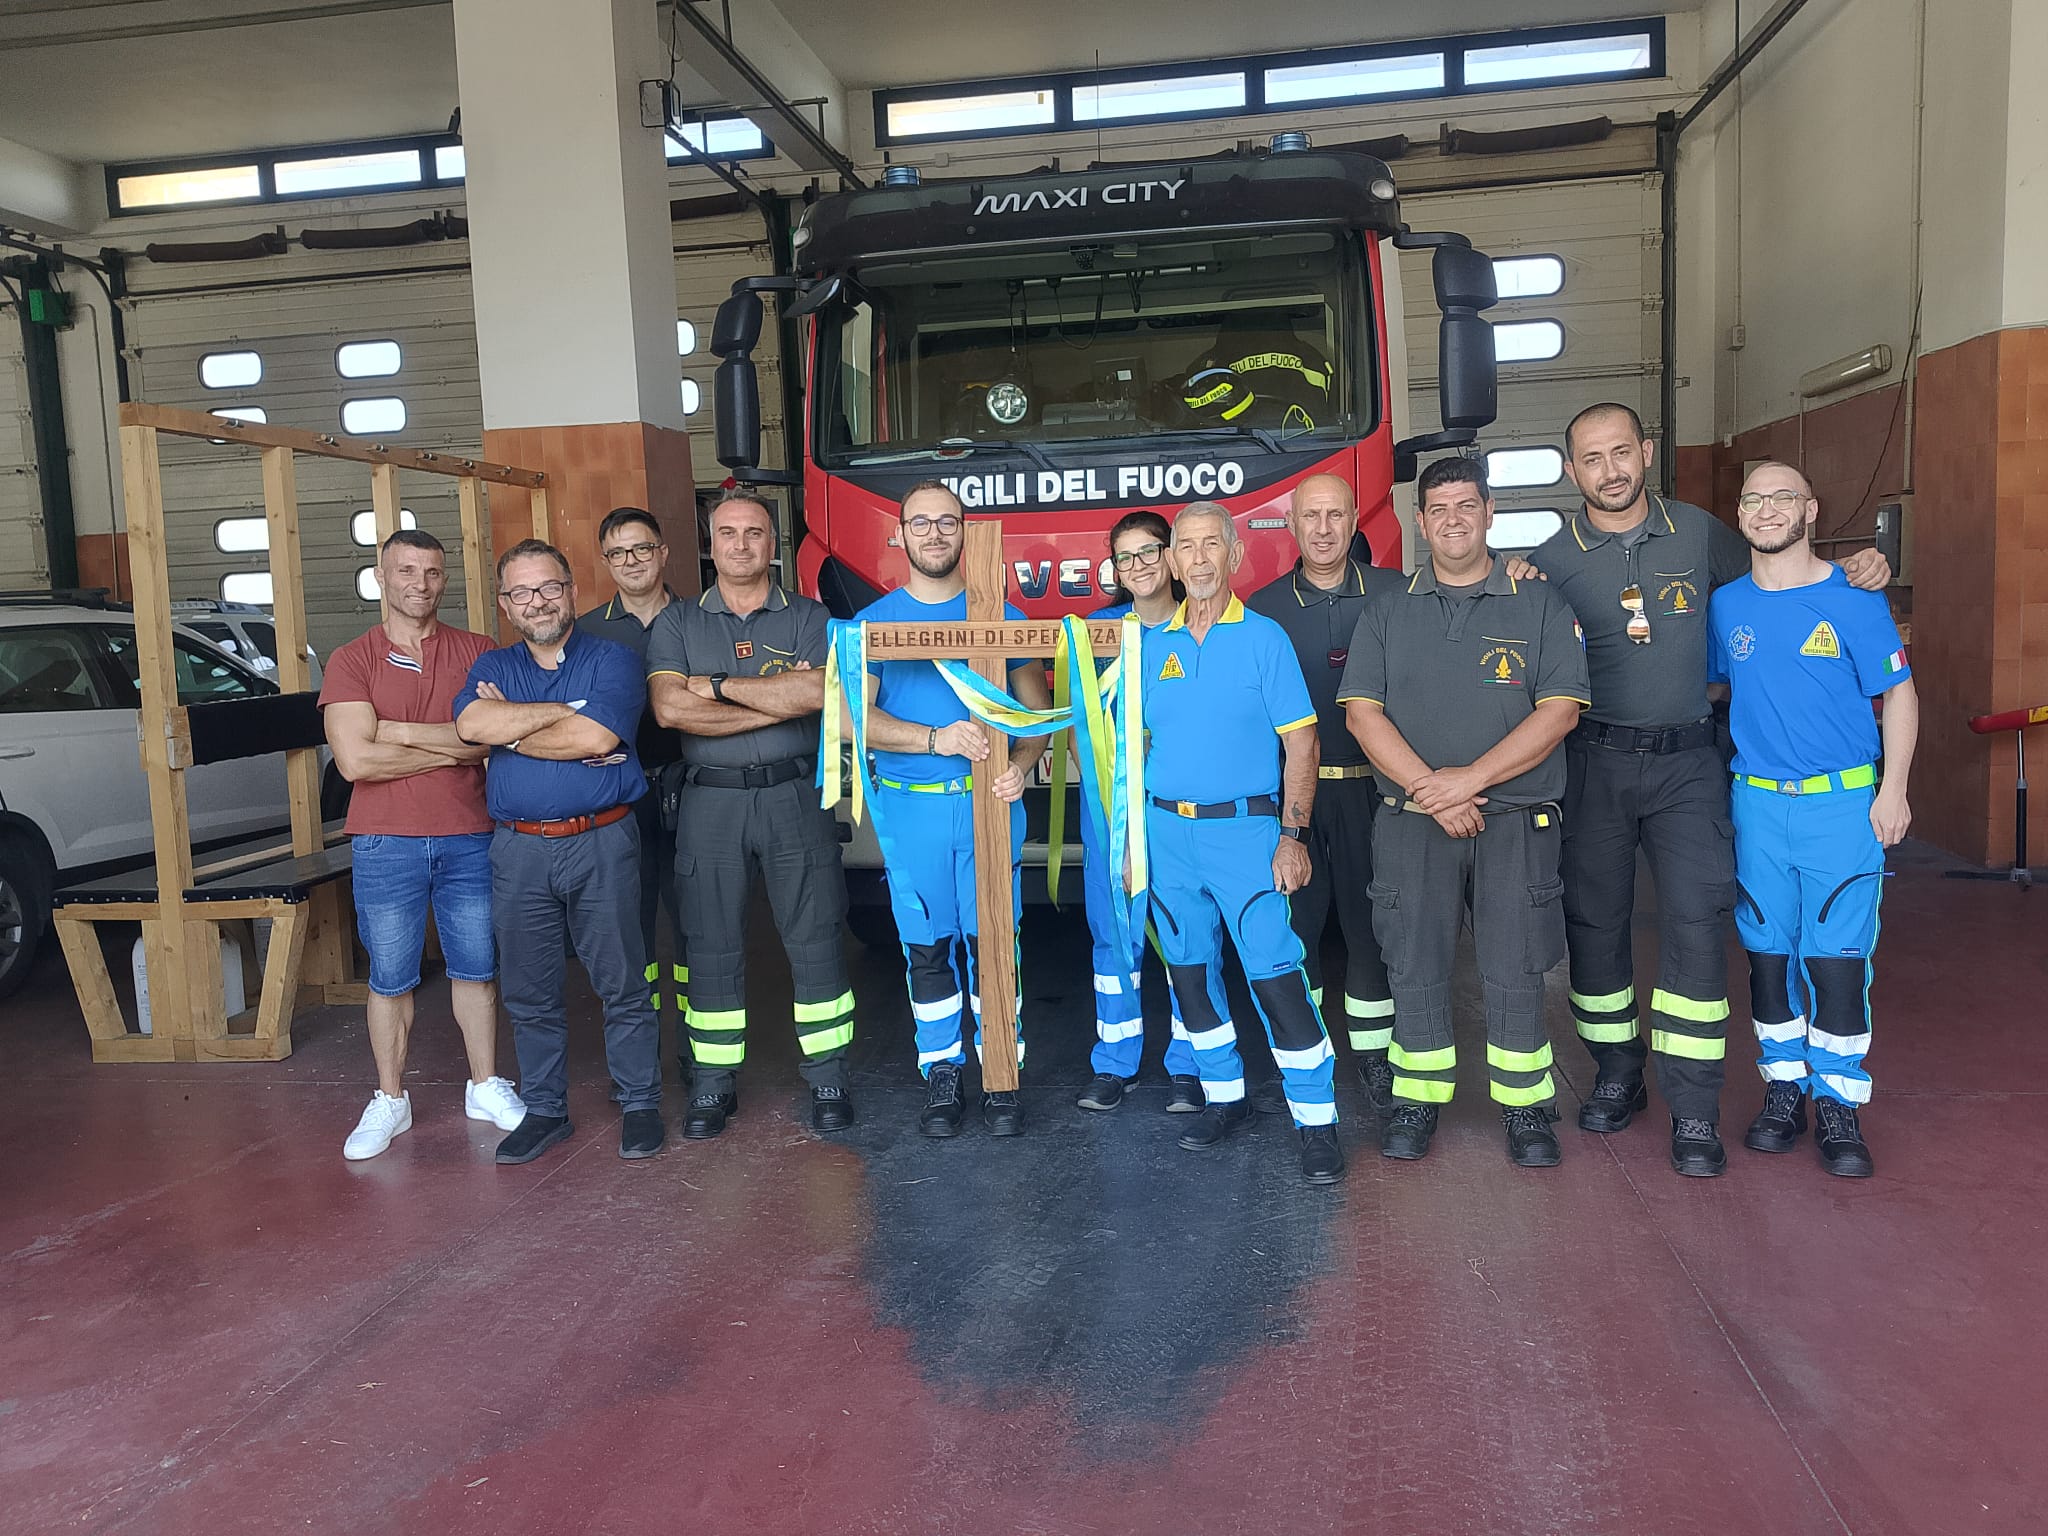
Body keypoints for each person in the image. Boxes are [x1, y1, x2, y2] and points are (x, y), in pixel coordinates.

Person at [1510, 402, 1890, 1177]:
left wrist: (1857, 568)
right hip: (1593, 763)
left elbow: (1781, 572)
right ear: (1571, 470)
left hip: (1689, 764)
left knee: (1694, 926)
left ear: (1647, 452)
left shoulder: (1700, 533)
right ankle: (1617, 1073)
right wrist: (1511, 577)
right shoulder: (1549, 562)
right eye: (1592, 458)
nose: (1610, 470)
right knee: (1594, 923)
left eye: (1622, 451)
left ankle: (1693, 1107)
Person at [1340, 456, 1589, 1167]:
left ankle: (1526, 1105)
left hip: (1515, 820)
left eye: (1466, 505)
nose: (1453, 520)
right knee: (1413, 961)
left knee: (1516, 965)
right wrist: (1431, 791)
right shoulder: (1388, 610)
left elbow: (1561, 711)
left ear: (1489, 513)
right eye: (1439, 509)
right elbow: (1361, 715)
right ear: (1421, 523)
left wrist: (1468, 782)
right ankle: (1416, 1100)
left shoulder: (1539, 604)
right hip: (1413, 822)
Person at [1709, 462, 1916, 1178]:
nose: (1767, 509)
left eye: (1783, 497)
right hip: (1757, 802)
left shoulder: (1854, 597)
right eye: (1753, 499)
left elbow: (1900, 693)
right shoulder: (1726, 606)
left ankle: (1838, 1101)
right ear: (1740, 514)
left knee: (1836, 959)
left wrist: (1894, 790)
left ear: (1811, 510)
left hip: (1842, 803)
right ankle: (1783, 1089)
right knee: (1767, 953)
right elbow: (1715, 688)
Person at [1140, 500, 1344, 1187]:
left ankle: (1316, 1120)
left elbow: (1302, 744)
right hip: (1168, 835)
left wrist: (1292, 835)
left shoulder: (1264, 639)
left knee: (1276, 977)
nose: (1198, 558)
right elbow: (1134, 742)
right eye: (1186, 546)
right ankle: (1224, 1097)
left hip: (1247, 834)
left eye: (1211, 545)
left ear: (1234, 555)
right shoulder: (1151, 646)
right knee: (1189, 975)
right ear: (1172, 561)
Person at [646, 492, 855, 1137]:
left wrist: (714, 688)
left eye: (755, 533)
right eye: (728, 533)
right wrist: (775, 700)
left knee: (816, 935)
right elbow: (670, 710)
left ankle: (829, 1078)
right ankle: (712, 1085)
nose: (741, 544)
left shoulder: (811, 616)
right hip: (710, 801)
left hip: (795, 794)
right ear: (709, 545)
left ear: (774, 543)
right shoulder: (678, 622)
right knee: (709, 940)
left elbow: (819, 695)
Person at [853, 481, 1053, 1138]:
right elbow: (855, 718)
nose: (934, 533)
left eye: (947, 521)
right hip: (913, 814)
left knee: (995, 944)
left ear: (965, 532)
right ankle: (942, 1071)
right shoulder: (874, 624)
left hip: (990, 807)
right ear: (899, 534)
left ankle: (1001, 1072)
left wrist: (1021, 764)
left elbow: (1036, 717)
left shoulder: (1004, 617)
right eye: (921, 522)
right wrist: (933, 739)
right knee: (928, 948)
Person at [453, 540, 663, 1164]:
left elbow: (596, 735)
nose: (537, 601)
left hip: (602, 839)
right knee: (528, 989)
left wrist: (512, 728)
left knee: (622, 980)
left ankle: (641, 1103)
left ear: (571, 591)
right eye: (521, 592)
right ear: (505, 604)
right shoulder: (492, 664)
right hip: (518, 850)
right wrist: (560, 715)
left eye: (548, 587)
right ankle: (545, 1110)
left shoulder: (614, 659)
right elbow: (471, 727)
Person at [320, 529, 525, 1161]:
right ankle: (390, 1098)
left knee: (476, 967)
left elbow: (490, 739)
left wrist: (400, 732)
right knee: (390, 978)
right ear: (381, 578)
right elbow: (355, 762)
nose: (421, 583)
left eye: (433, 572)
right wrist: (451, 745)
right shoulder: (351, 659)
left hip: (470, 833)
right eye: (407, 571)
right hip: (384, 840)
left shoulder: (479, 650)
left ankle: (484, 1085)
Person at [1245, 473, 1402, 1114]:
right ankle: (1306, 1054)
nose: (1324, 529)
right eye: (1310, 516)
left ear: (1354, 519)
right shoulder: (1261, 610)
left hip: (1377, 795)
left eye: (1336, 515)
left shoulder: (1396, 594)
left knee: (1372, 931)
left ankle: (1374, 1059)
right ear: (1291, 524)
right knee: (1297, 931)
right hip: (1295, 802)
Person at [1072, 510, 1208, 1115]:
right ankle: (1114, 1061)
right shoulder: (1093, 635)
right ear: (1116, 570)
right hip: (1113, 812)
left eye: (1149, 551)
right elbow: (1078, 728)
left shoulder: (1201, 625)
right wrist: (1109, 808)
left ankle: (1191, 1062)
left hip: (1182, 810)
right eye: (1125, 557)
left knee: (1187, 933)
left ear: (1171, 556)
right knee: (1115, 936)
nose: (1139, 565)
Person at [577, 507, 689, 1084]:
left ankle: (698, 1055)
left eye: (642, 548)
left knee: (697, 926)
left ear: (663, 553)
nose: (632, 561)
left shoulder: (699, 620)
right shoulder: (585, 632)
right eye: (618, 553)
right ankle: (639, 1060)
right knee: (627, 931)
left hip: (693, 788)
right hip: (619, 794)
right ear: (606, 562)